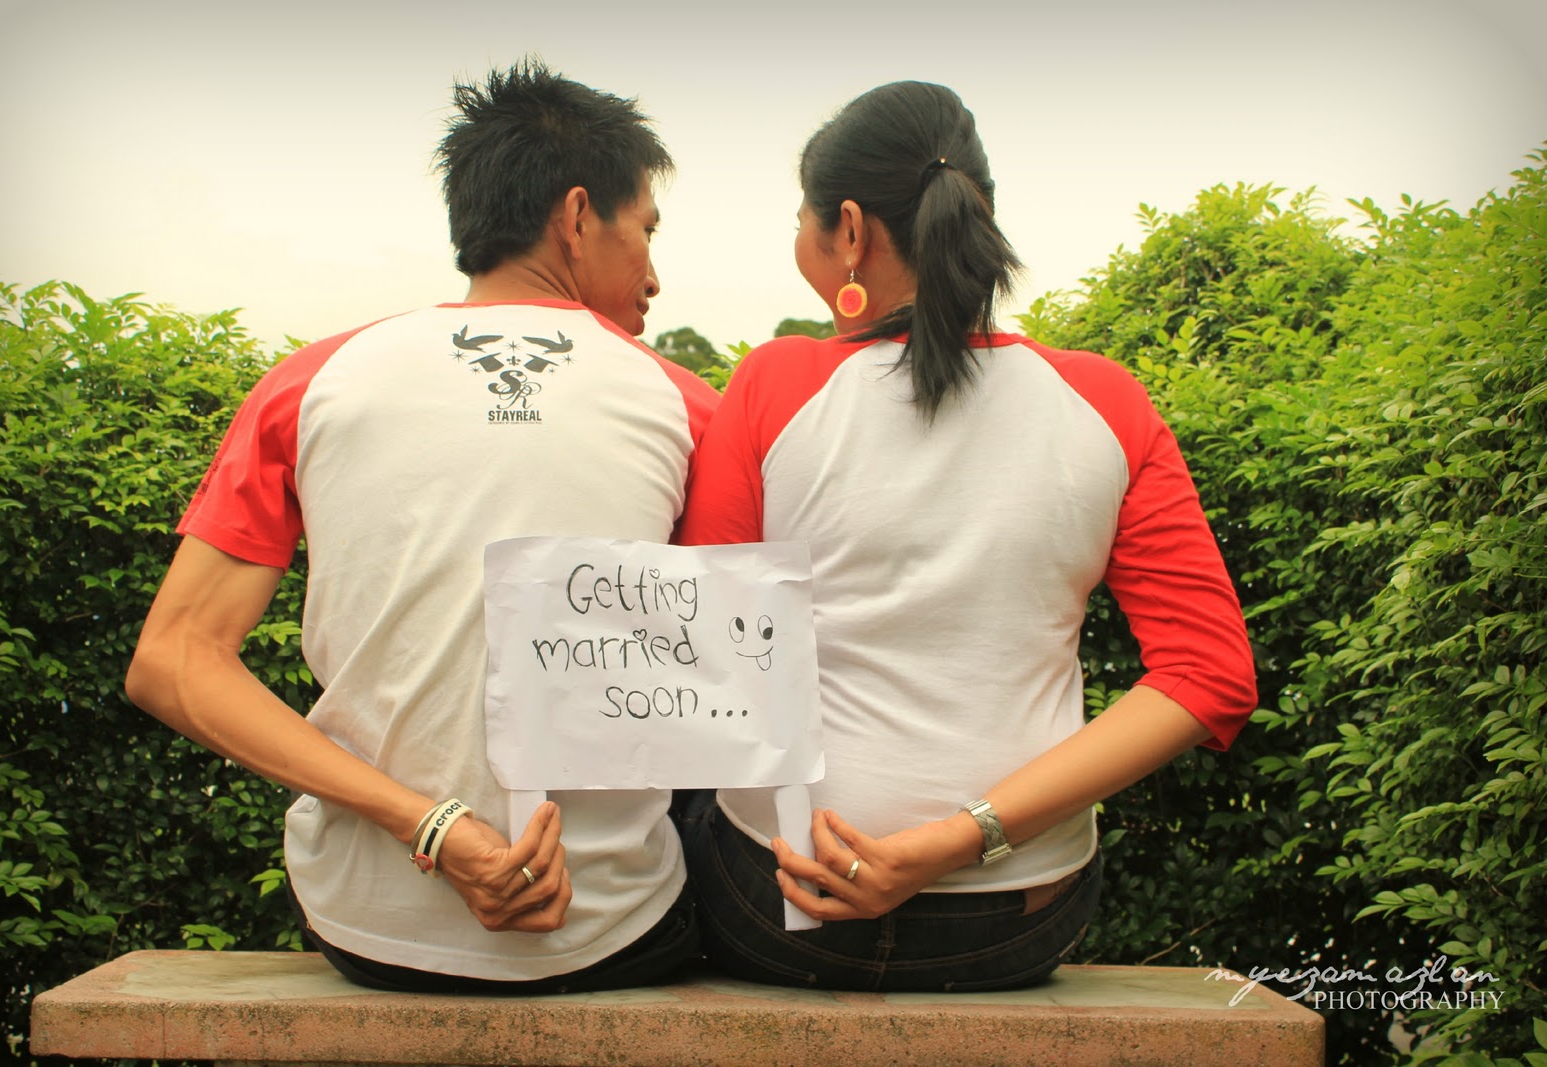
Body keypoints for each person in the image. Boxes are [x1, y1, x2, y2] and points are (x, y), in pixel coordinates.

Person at [126, 59, 718, 993]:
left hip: (367, 928)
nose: (654, 275)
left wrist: (434, 825)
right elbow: (737, 677)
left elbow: (171, 660)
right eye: (645, 230)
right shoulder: (685, 404)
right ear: (575, 217)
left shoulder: (310, 384)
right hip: (613, 926)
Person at [675, 81, 1258, 992]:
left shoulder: (774, 386)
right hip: (1016, 917)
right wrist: (961, 836)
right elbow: (1209, 674)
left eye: (802, 219)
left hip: (783, 901)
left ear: (850, 230)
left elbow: (702, 647)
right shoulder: (1104, 401)